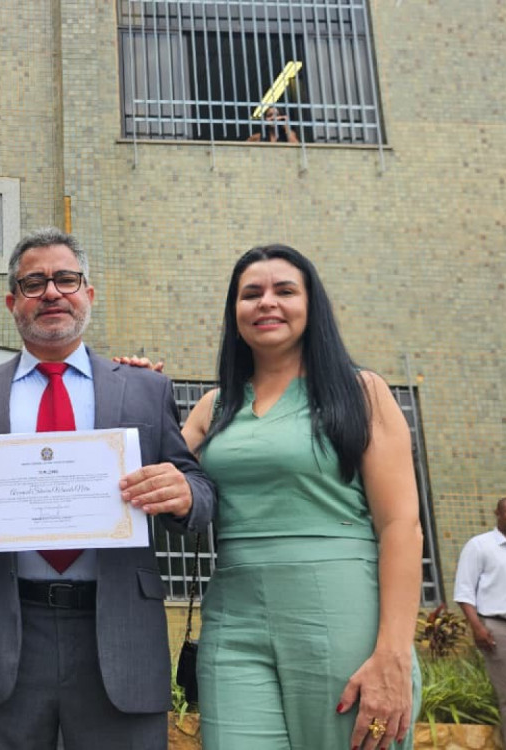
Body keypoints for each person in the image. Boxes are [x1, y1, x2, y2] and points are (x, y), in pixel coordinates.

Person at [0, 228, 216, 750]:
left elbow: (201, 490)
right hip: (4, 630)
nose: (51, 292)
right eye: (33, 283)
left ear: (88, 293)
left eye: (66, 279)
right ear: (12, 302)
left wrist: (186, 495)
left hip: (117, 629)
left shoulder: (144, 388)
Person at [180, 244, 421, 750]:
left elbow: (401, 525)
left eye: (284, 290)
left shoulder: (362, 393)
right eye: (251, 293)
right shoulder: (213, 407)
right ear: (235, 312)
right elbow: (156, 481)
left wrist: (393, 654)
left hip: (342, 610)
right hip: (233, 617)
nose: (266, 302)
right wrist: (133, 385)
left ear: (312, 307)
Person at [454, 495, 506, 750]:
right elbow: (464, 591)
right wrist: (477, 628)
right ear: (497, 514)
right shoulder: (480, 546)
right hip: (501, 627)